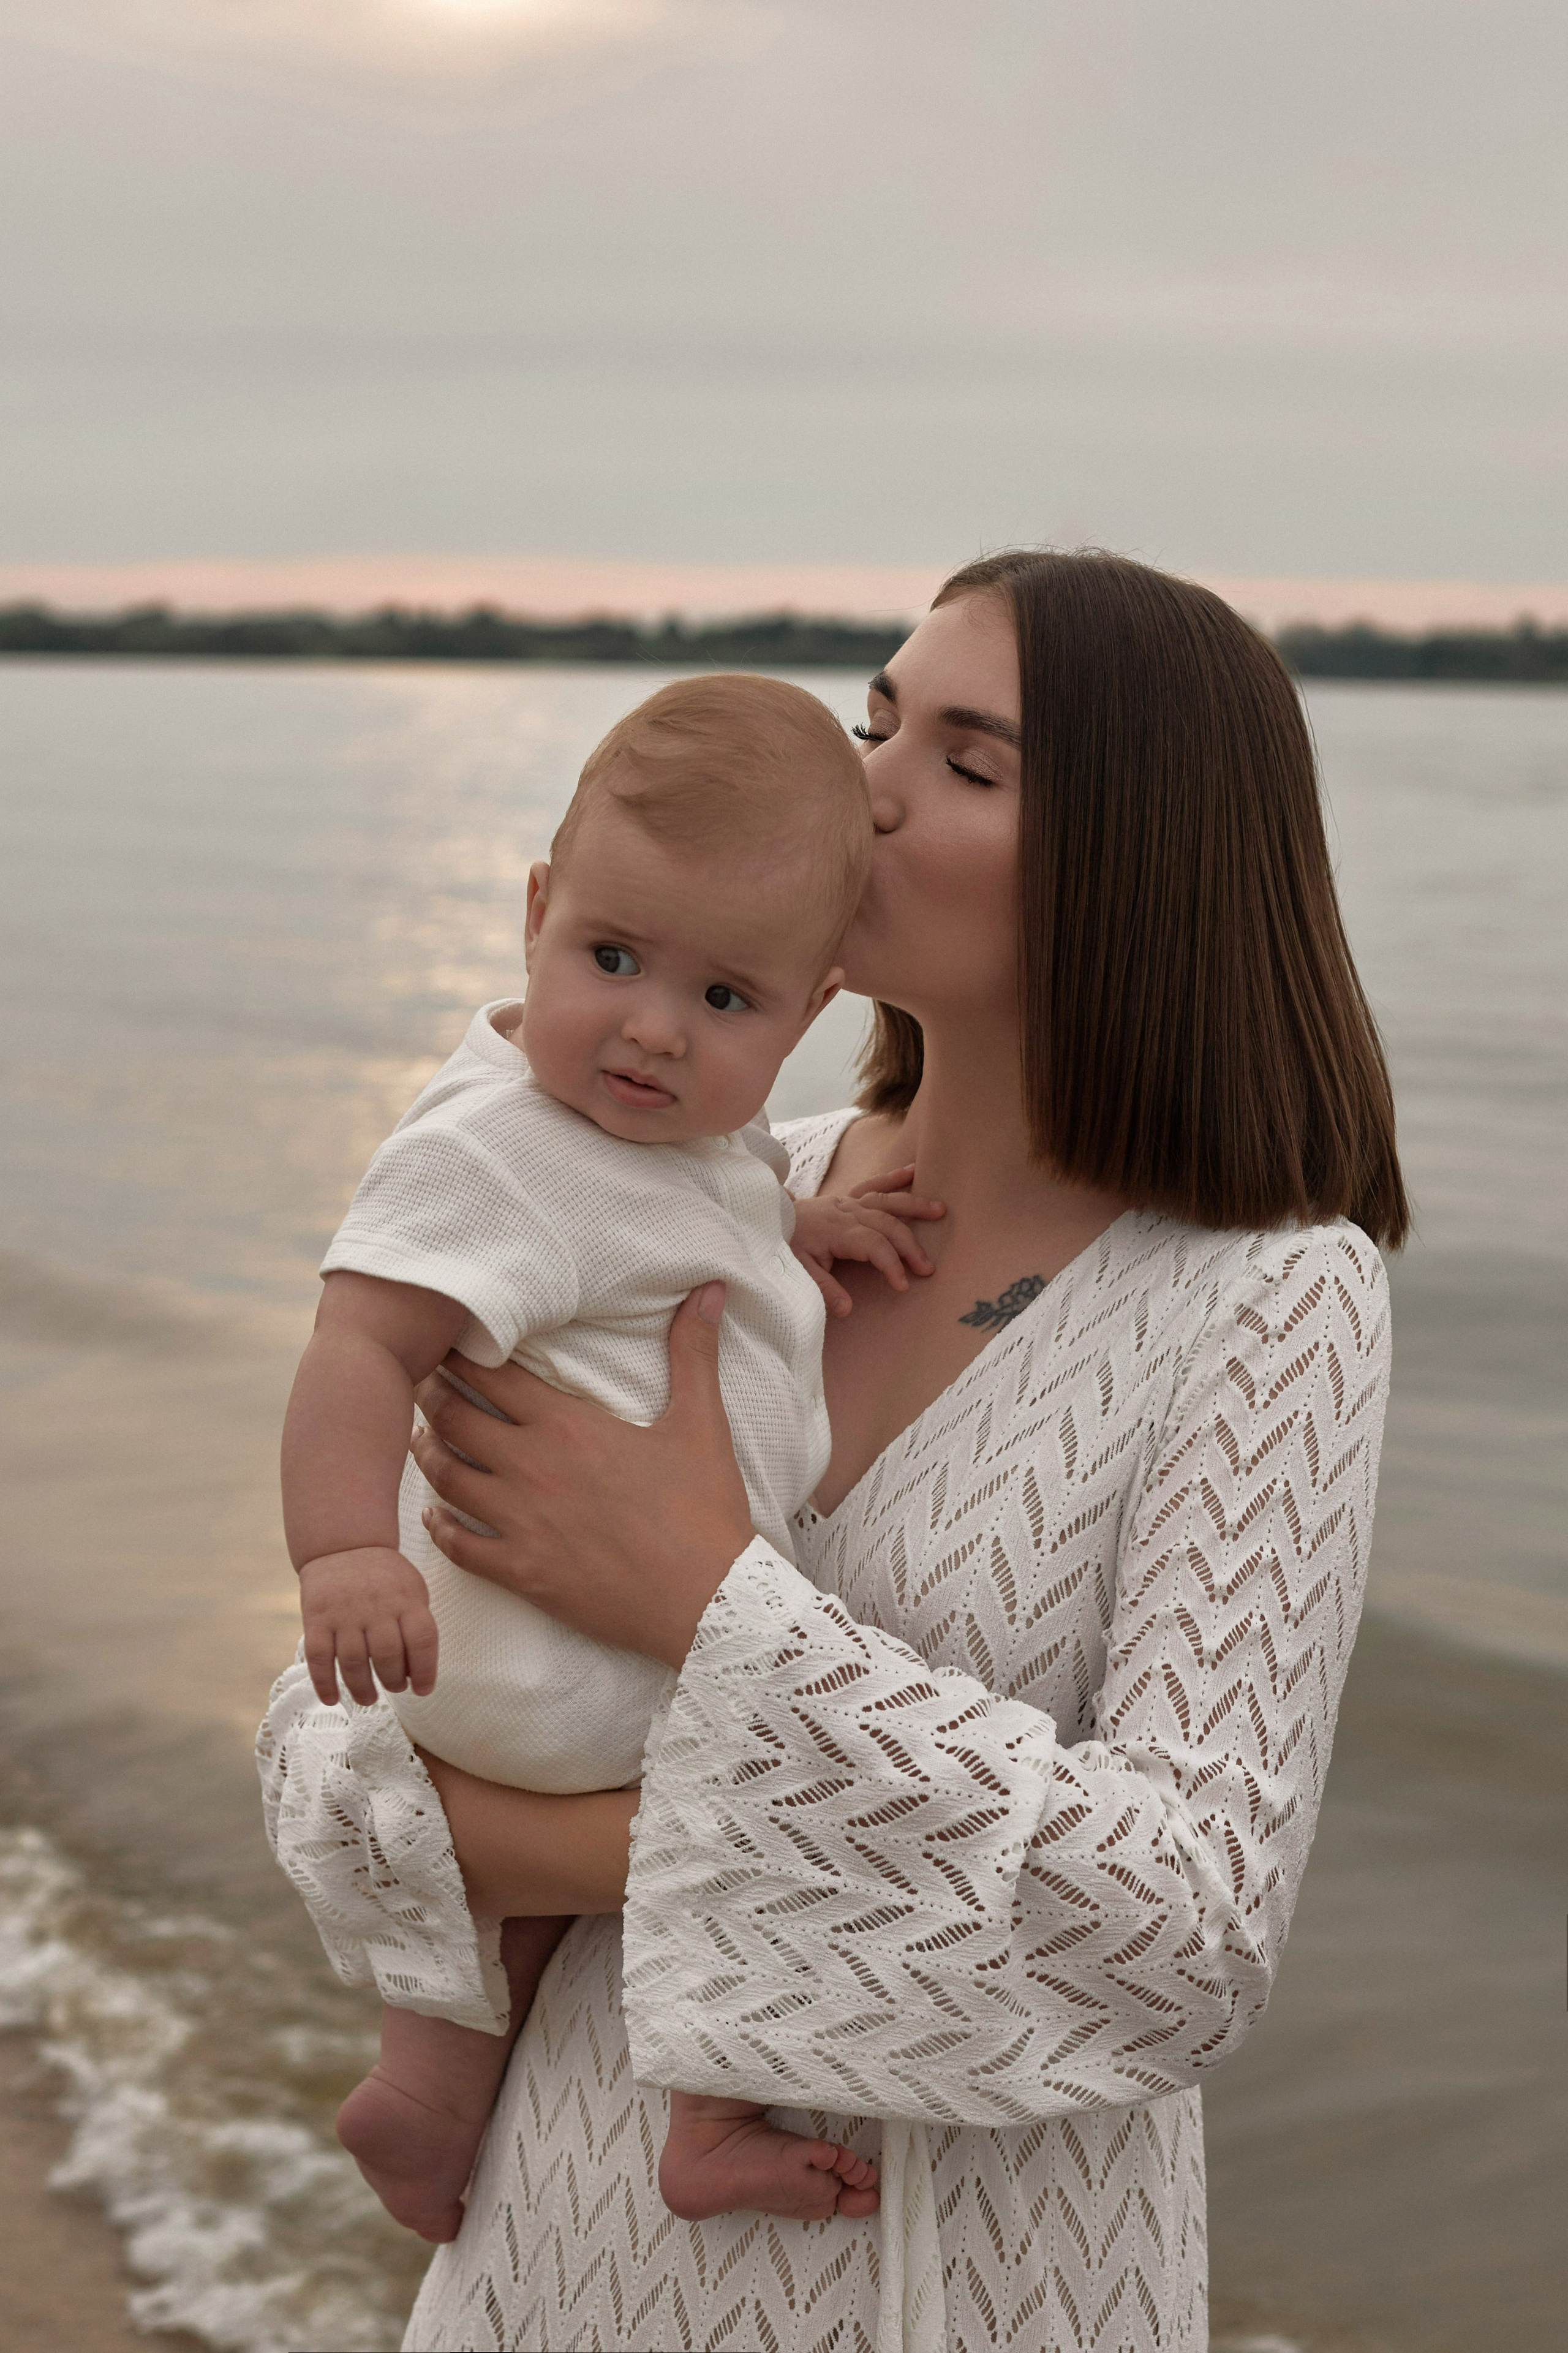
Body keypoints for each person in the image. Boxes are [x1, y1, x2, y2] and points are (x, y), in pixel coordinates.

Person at [269, 550, 1405, 2353]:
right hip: (543, 2258)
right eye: (878, 717)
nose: (855, 783)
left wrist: (707, 1603)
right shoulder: (710, 1184)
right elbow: (336, 1755)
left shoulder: (1270, 1300)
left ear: (1139, 855)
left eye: (964, 761)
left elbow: (1189, 1940)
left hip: (958, 2293)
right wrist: (573, 1817)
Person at [262, 674, 951, 2246]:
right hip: (562, 1646)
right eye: (614, 958)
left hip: (528, 1675)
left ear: (810, 1012)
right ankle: (707, 2113)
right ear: (532, 912)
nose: (650, 1030)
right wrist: (343, 1553)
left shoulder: (678, 1141)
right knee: (768, 1794)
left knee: (513, 1916)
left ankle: (422, 2101)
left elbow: (702, 1201)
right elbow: (359, 1343)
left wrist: (806, 1218)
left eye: (724, 1003)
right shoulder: (490, 1144)